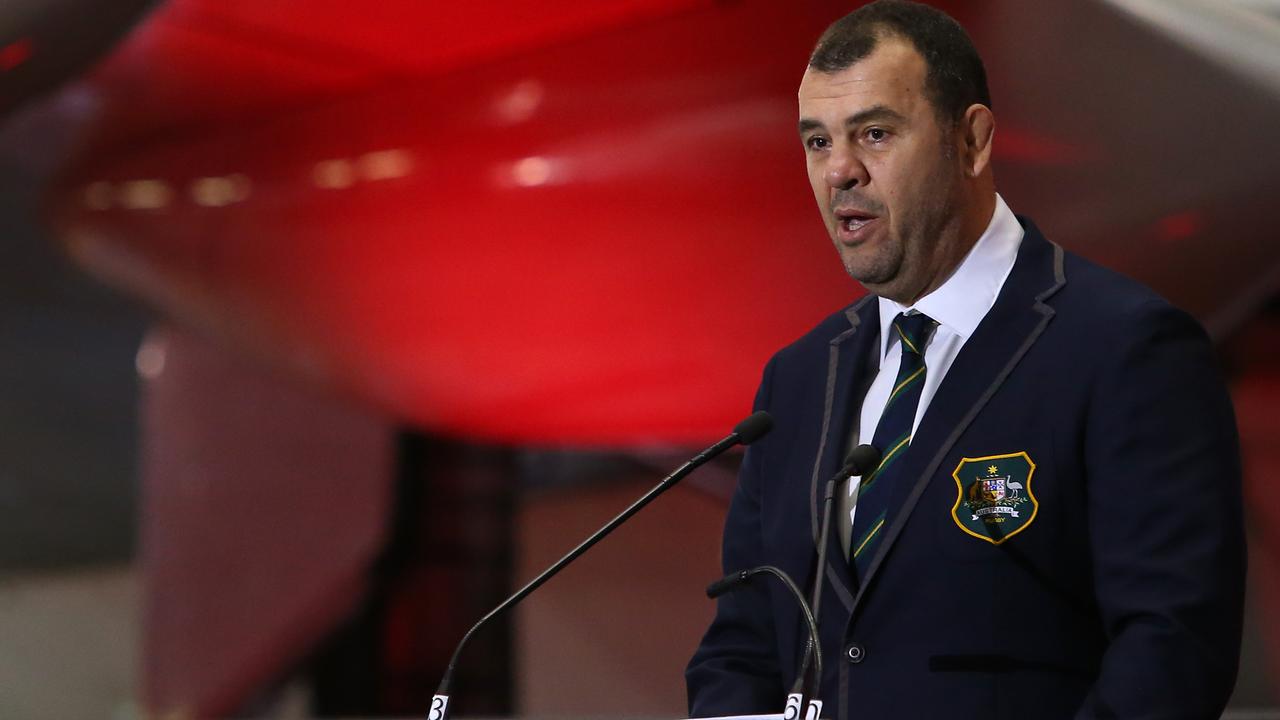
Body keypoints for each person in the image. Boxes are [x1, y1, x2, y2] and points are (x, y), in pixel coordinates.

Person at [685, 2, 1246, 719]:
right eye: (818, 142)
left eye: (875, 134)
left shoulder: (1125, 350)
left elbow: (1174, 646)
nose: (840, 172)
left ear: (972, 140)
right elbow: (743, 644)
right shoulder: (796, 382)